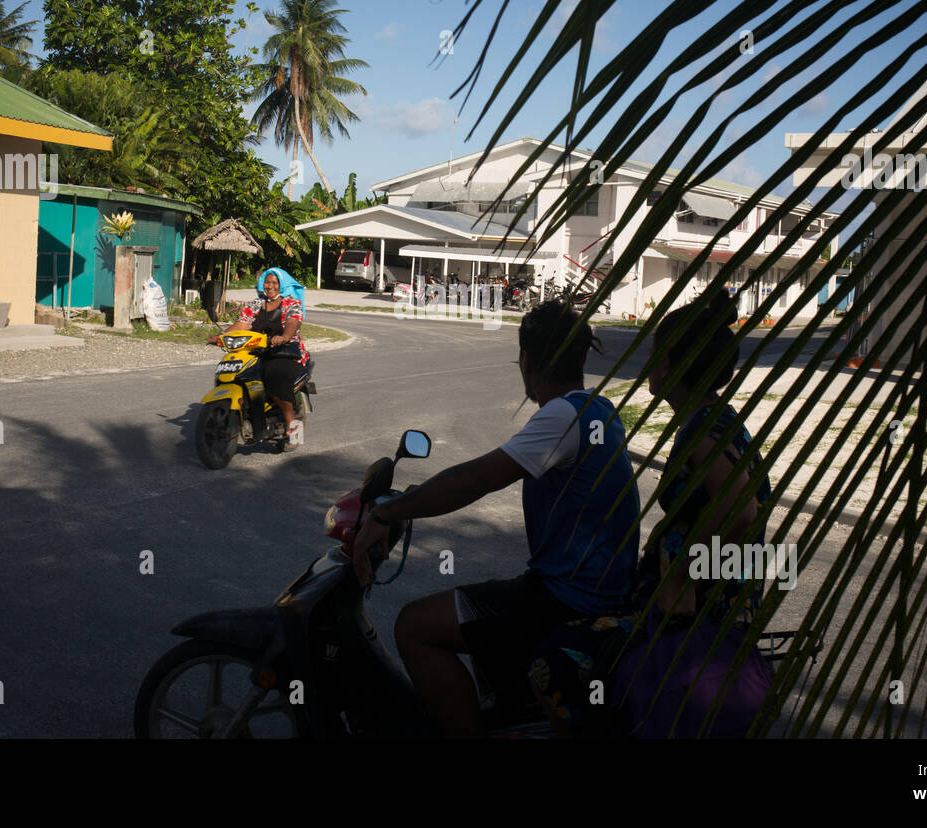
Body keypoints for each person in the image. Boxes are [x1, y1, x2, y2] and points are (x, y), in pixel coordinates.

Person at [352, 300, 641, 737]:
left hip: (568, 599)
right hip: (589, 588)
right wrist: (416, 498)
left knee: (414, 626)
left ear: (526, 360)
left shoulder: (563, 416)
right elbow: (487, 469)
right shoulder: (598, 410)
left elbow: (477, 478)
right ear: (581, 357)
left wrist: (390, 510)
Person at [528, 290, 775, 737]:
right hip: (708, 606)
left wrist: (680, 579)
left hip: (694, 614)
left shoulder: (700, 429)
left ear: (670, 365)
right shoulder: (720, 418)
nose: (648, 361)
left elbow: (741, 508)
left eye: (655, 352)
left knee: (554, 657)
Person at [215, 267, 309, 450]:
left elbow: (293, 322)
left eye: (275, 283)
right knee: (235, 369)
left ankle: (292, 423)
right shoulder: (255, 304)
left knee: (274, 374)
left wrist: (284, 337)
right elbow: (241, 324)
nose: (270, 286)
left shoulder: (291, 303)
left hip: (285, 352)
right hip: (256, 351)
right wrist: (220, 336)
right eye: (267, 282)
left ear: (282, 285)